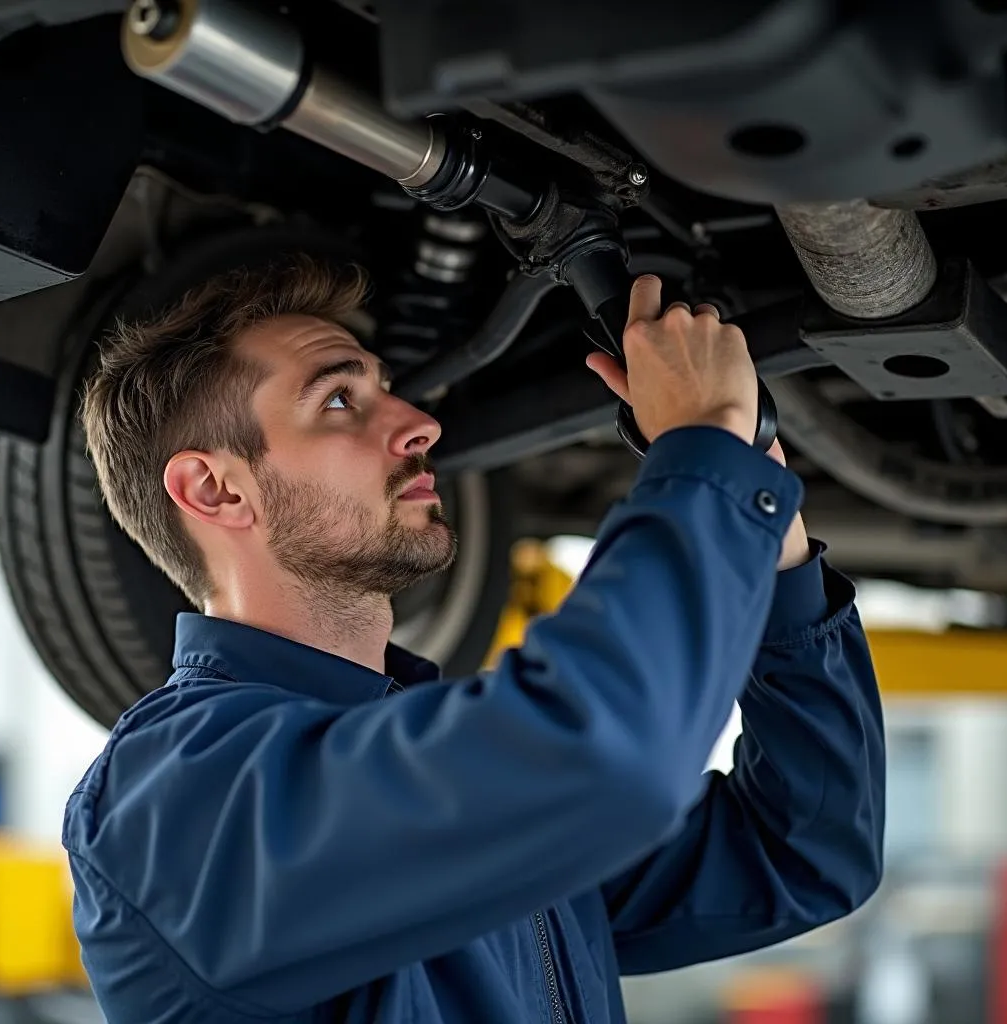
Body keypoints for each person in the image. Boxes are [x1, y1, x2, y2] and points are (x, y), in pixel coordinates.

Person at [65, 254, 885, 1024]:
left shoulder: (455, 778)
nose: (421, 423)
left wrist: (767, 533)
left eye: (386, 389)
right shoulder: (176, 801)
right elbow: (609, 757)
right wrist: (702, 455)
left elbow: (805, 851)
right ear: (214, 487)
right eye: (340, 401)